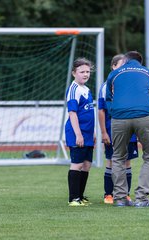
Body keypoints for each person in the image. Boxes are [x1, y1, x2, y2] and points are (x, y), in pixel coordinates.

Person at [106, 51, 149, 208]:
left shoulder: (114, 74)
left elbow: (109, 97)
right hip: (144, 115)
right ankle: (142, 198)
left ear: (125, 60)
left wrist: (115, 113)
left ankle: (120, 198)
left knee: (117, 157)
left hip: (119, 117)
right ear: (140, 62)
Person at [98, 54, 139, 204]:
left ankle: (125, 194)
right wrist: (103, 132)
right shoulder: (106, 86)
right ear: (113, 67)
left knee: (127, 162)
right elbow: (101, 110)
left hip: (130, 132)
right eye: (120, 66)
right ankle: (108, 194)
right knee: (111, 161)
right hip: (112, 131)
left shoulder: (129, 86)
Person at [65, 58, 95, 207]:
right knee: (76, 164)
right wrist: (78, 134)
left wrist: (93, 132)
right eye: (82, 71)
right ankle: (73, 198)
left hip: (88, 134)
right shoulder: (74, 89)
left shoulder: (86, 89)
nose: (85, 74)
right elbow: (72, 113)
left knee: (87, 164)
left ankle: (81, 196)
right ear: (74, 73)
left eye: (88, 71)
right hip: (78, 133)